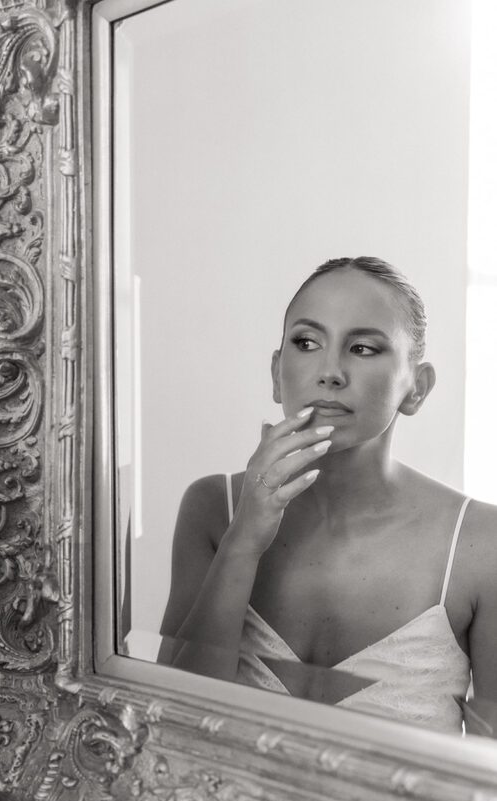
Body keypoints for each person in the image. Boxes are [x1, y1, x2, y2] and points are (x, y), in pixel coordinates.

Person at [159, 257, 497, 735]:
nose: (331, 372)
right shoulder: (213, 508)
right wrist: (243, 542)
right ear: (277, 373)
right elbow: (169, 724)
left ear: (416, 389)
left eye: (363, 348)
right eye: (307, 343)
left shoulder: (482, 544)